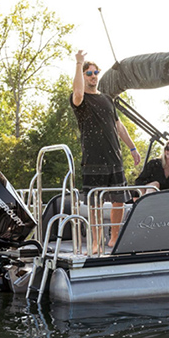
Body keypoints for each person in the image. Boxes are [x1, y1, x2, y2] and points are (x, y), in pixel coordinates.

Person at [71, 50, 141, 251]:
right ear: (83, 76)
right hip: (93, 159)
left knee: (119, 201)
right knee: (95, 204)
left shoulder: (107, 99)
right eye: (89, 73)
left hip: (114, 158)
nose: (93, 76)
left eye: (96, 72)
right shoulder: (80, 100)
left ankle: (114, 238)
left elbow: (119, 126)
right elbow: (77, 93)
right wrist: (79, 63)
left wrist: (133, 148)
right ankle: (96, 242)